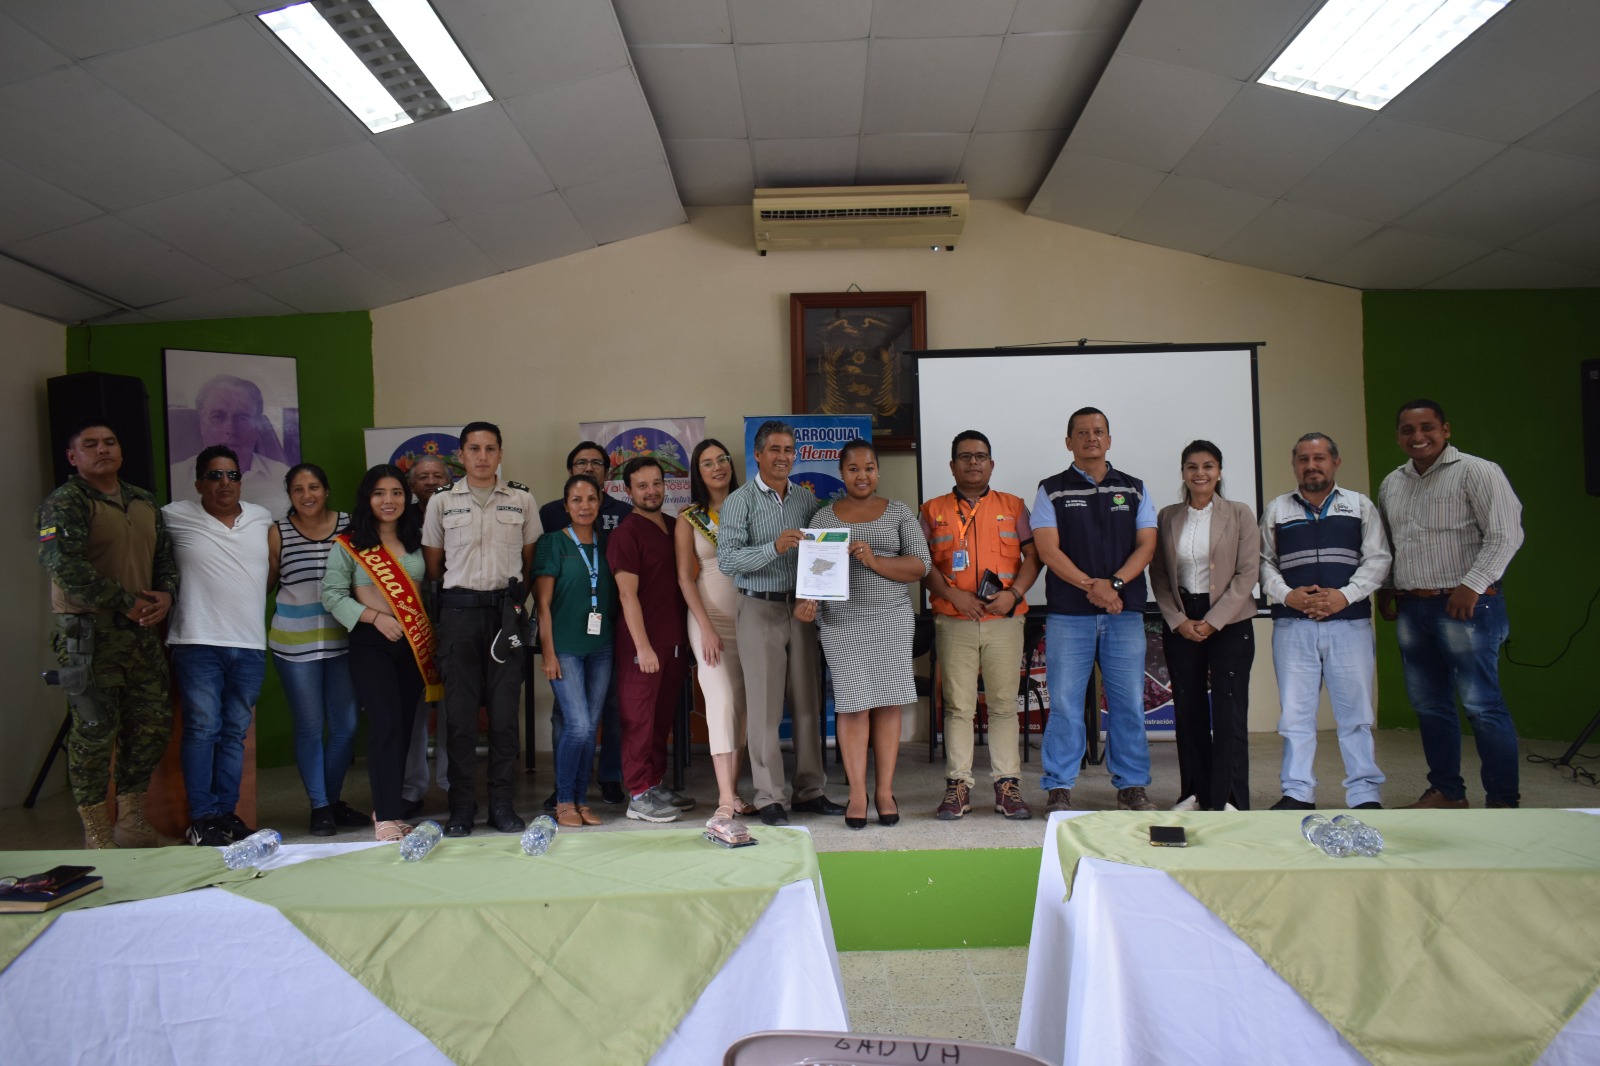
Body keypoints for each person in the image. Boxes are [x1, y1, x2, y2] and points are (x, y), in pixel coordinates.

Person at [38, 419, 179, 849]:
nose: (103, 450)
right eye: (91, 444)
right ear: (73, 456)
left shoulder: (142, 500)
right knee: (95, 732)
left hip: (140, 634)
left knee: (150, 726)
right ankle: (98, 835)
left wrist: (166, 594)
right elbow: (64, 567)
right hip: (88, 634)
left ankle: (132, 822)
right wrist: (124, 600)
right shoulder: (65, 502)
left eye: (110, 442)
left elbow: (165, 559)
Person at [1377, 400, 1525, 809]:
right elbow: (1391, 543)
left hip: (1468, 608)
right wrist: (1388, 587)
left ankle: (1503, 802)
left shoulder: (1478, 471)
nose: (1418, 436)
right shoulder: (1392, 483)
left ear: (1446, 429)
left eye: (1427, 427)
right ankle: (1447, 791)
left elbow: (1506, 535)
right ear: (1398, 436)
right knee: (1429, 707)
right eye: (1408, 430)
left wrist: (1472, 585)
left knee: (1482, 706)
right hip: (1413, 608)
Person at [797, 439, 931, 828]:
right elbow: (812, 575)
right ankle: (858, 792)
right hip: (842, 623)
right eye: (853, 468)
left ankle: (884, 791)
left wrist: (874, 559)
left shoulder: (899, 512)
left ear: (878, 471)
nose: (862, 475)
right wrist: (807, 603)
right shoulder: (823, 519)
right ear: (842, 473)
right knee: (853, 705)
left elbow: (920, 566)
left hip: (891, 619)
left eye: (869, 468)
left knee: (888, 702)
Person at [1031, 407, 1159, 812]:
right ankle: (1059, 785)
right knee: (1066, 705)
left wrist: (1114, 585)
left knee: (1128, 704)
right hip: (1070, 614)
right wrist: (1095, 587)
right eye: (1083, 432)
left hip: (1124, 613)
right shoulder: (1051, 489)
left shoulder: (1134, 488)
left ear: (1109, 439)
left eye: (1099, 431)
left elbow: (1147, 545)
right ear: (1069, 442)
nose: (1091, 438)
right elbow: (1048, 550)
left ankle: (1132, 784)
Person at [717, 420, 844, 827]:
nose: (783, 456)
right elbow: (728, 561)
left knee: (808, 702)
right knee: (765, 708)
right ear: (757, 454)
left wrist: (813, 597)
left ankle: (810, 790)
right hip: (759, 608)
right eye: (775, 449)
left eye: (789, 449)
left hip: (801, 609)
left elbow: (819, 555)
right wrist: (773, 547)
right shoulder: (739, 501)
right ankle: (769, 796)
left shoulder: (805, 499)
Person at [1260, 432, 1392, 811]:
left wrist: (1344, 596)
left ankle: (1364, 794)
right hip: (1293, 626)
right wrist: (1288, 595)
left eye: (1319, 458)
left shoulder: (1359, 506)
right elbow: (1263, 562)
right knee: (1295, 716)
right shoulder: (1278, 509)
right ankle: (1297, 792)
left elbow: (1378, 559)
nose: (1311, 466)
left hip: (1349, 624)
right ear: (1294, 464)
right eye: (1303, 459)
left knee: (1356, 716)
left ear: (1335, 462)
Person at [423, 421, 541, 837]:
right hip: (459, 616)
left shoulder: (522, 499)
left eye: (490, 448)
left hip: (505, 615)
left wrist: (513, 607)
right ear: (461, 455)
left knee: (505, 716)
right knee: (459, 717)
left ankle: (502, 805)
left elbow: (530, 560)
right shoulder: (441, 502)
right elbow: (434, 566)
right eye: (474, 448)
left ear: (500, 453)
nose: (483, 456)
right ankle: (461, 807)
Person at [919, 430, 1041, 820]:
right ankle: (958, 785)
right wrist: (952, 595)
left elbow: (1034, 557)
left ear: (991, 464)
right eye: (965, 456)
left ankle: (1007, 786)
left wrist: (1015, 594)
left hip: (1004, 619)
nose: (973, 462)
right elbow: (921, 564)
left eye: (981, 456)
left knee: (1004, 705)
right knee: (958, 707)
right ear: (952, 465)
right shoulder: (932, 510)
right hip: (954, 619)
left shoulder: (1014, 506)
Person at [323, 465, 444, 841]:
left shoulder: (417, 541)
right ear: (367, 498)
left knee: (405, 726)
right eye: (379, 493)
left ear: (406, 497)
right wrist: (375, 618)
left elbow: (430, 590)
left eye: (395, 492)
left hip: (413, 644)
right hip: (371, 643)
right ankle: (387, 816)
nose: (388, 500)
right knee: (386, 724)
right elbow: (332, 595)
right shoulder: (349, 544)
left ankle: (389, 807)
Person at [164, 445, 275, 846]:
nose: (224, 483)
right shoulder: (174, 516)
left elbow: (271, 572)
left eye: (232, 475)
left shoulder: (261, 518)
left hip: (249, 645)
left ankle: (227, 815)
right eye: (214, 476)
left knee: (234, 733)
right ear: (198, 483)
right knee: (203, 729)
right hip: (197, 642)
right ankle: (203, 819)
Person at [1148, 440, 1259, 811]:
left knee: (1229, 710)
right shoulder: (1167, 516)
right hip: (1183, 619)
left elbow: (1247, 573)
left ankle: (1229, 798)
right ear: (1183, 472)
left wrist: (1213, 622)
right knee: (1188, 708)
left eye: (1208, 466)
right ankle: (1194, 793)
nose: (1200, 473)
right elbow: (1159, 573)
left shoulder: (1240, 513)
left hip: (1231, 619)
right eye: (1192, 467)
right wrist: (1178, 620)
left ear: (1219, 471)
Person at [267, 463, 364, 837]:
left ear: (326, 490)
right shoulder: (278, 532)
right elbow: (267, 583)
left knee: (346, 726)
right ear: (290, 495)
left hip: (344, 640)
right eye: (297, 490)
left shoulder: (349, 525)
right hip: (295, 644)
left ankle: (332, 801)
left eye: (313, 487)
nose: (306, 495)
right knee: (310, 727)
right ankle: (319, 806)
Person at [535, 440, 629, 810]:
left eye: (591, 499)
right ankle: (564, 799)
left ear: (600, 501)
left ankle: (579, 799)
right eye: (576, 500)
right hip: (565, 648)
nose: (585, 506)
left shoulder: (608, 543)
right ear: (566, 506)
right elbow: (542, 604)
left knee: (590, 724)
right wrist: (548, 653)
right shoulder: (552, 543)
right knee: (576, 724)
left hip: (601, 646)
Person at [608, 457, 695, 822]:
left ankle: (655, 783)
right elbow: (627, 595)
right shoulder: (626, 534)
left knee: (661, 720)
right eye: (642, 486)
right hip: (641, 646)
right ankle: (639, 794)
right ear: (628, 491)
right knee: (639, 719)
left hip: (673, 643)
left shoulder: (675, 527)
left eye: (657, 483)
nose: (651, 491)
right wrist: (643, 647)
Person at [676, 439, 752, 818]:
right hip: (709, 619)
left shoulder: (750, 507)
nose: (717, 467)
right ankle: (724, 798)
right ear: (698, 472)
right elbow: (684, 577)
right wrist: (705, 627)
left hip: (750, 618)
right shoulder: (690, 517)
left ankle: (734, 792)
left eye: (722, 459)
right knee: (720, 700)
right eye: (707, 463)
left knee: (741, 705)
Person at [400, 454, 451, 816]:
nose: (431, 482)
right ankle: (410, 789)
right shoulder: (399, 520)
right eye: (423, 477)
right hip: (410, 624)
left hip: (455, 620)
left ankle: (453, 785)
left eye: (438, 476)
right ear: (411, 485)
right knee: (412, 709)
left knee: (454, 709)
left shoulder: (460, 512)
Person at [168, 374, 289, 512]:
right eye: (218, 417)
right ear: (202, 424)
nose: (230, 429)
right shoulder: (175, 479)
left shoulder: (284, 478)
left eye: (242, 418)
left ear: (257, 427)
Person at [537, 441, 633, 535]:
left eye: (596, 463)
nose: (589, 468)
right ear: (570, 472)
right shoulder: (549, 512)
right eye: (581, 462)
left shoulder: (626, 512)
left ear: (606, 473)